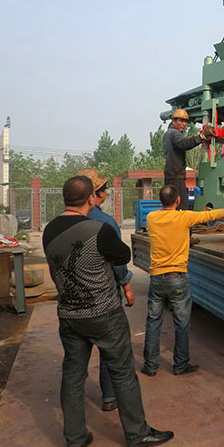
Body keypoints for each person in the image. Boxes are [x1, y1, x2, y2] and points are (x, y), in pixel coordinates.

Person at [43, 176, 173, 447]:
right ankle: (137, 434)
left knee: (73, 376)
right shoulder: (99, 229)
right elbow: (123, 256)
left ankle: (75, 438)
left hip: (69, 315)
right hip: (104, 314)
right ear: (91, 198)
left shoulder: (49, 230)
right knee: (123, 373)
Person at [141, 184, 224, 377]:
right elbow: (207, 216)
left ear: (160, 200)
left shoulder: (151, 217)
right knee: (181, 323)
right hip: (177, 277)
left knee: (153, 322)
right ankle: (180, 365)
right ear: (177, 200)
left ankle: (150, 366)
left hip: (157, 278)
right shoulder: (184, 217)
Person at [77, 167, 135, 413]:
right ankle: (110, 395)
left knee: (76, 358)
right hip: (104, 297)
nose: (107, 193)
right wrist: (127, 286)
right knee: (111, 348)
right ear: (96, 195)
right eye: (105, 189)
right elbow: (118, 262)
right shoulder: (106, 223)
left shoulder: (62, 224)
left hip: (73, 301)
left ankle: (74, 408)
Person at [163, 108, 214, 211]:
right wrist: (201, 137)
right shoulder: (174, 133)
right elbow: (184, 143)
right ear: (173, 121)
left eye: (186, 121)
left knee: (171, 207)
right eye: (181, 121)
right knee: (181, 208)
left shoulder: (167, 134)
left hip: (170, 176)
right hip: (176, 177)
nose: (184, 124)